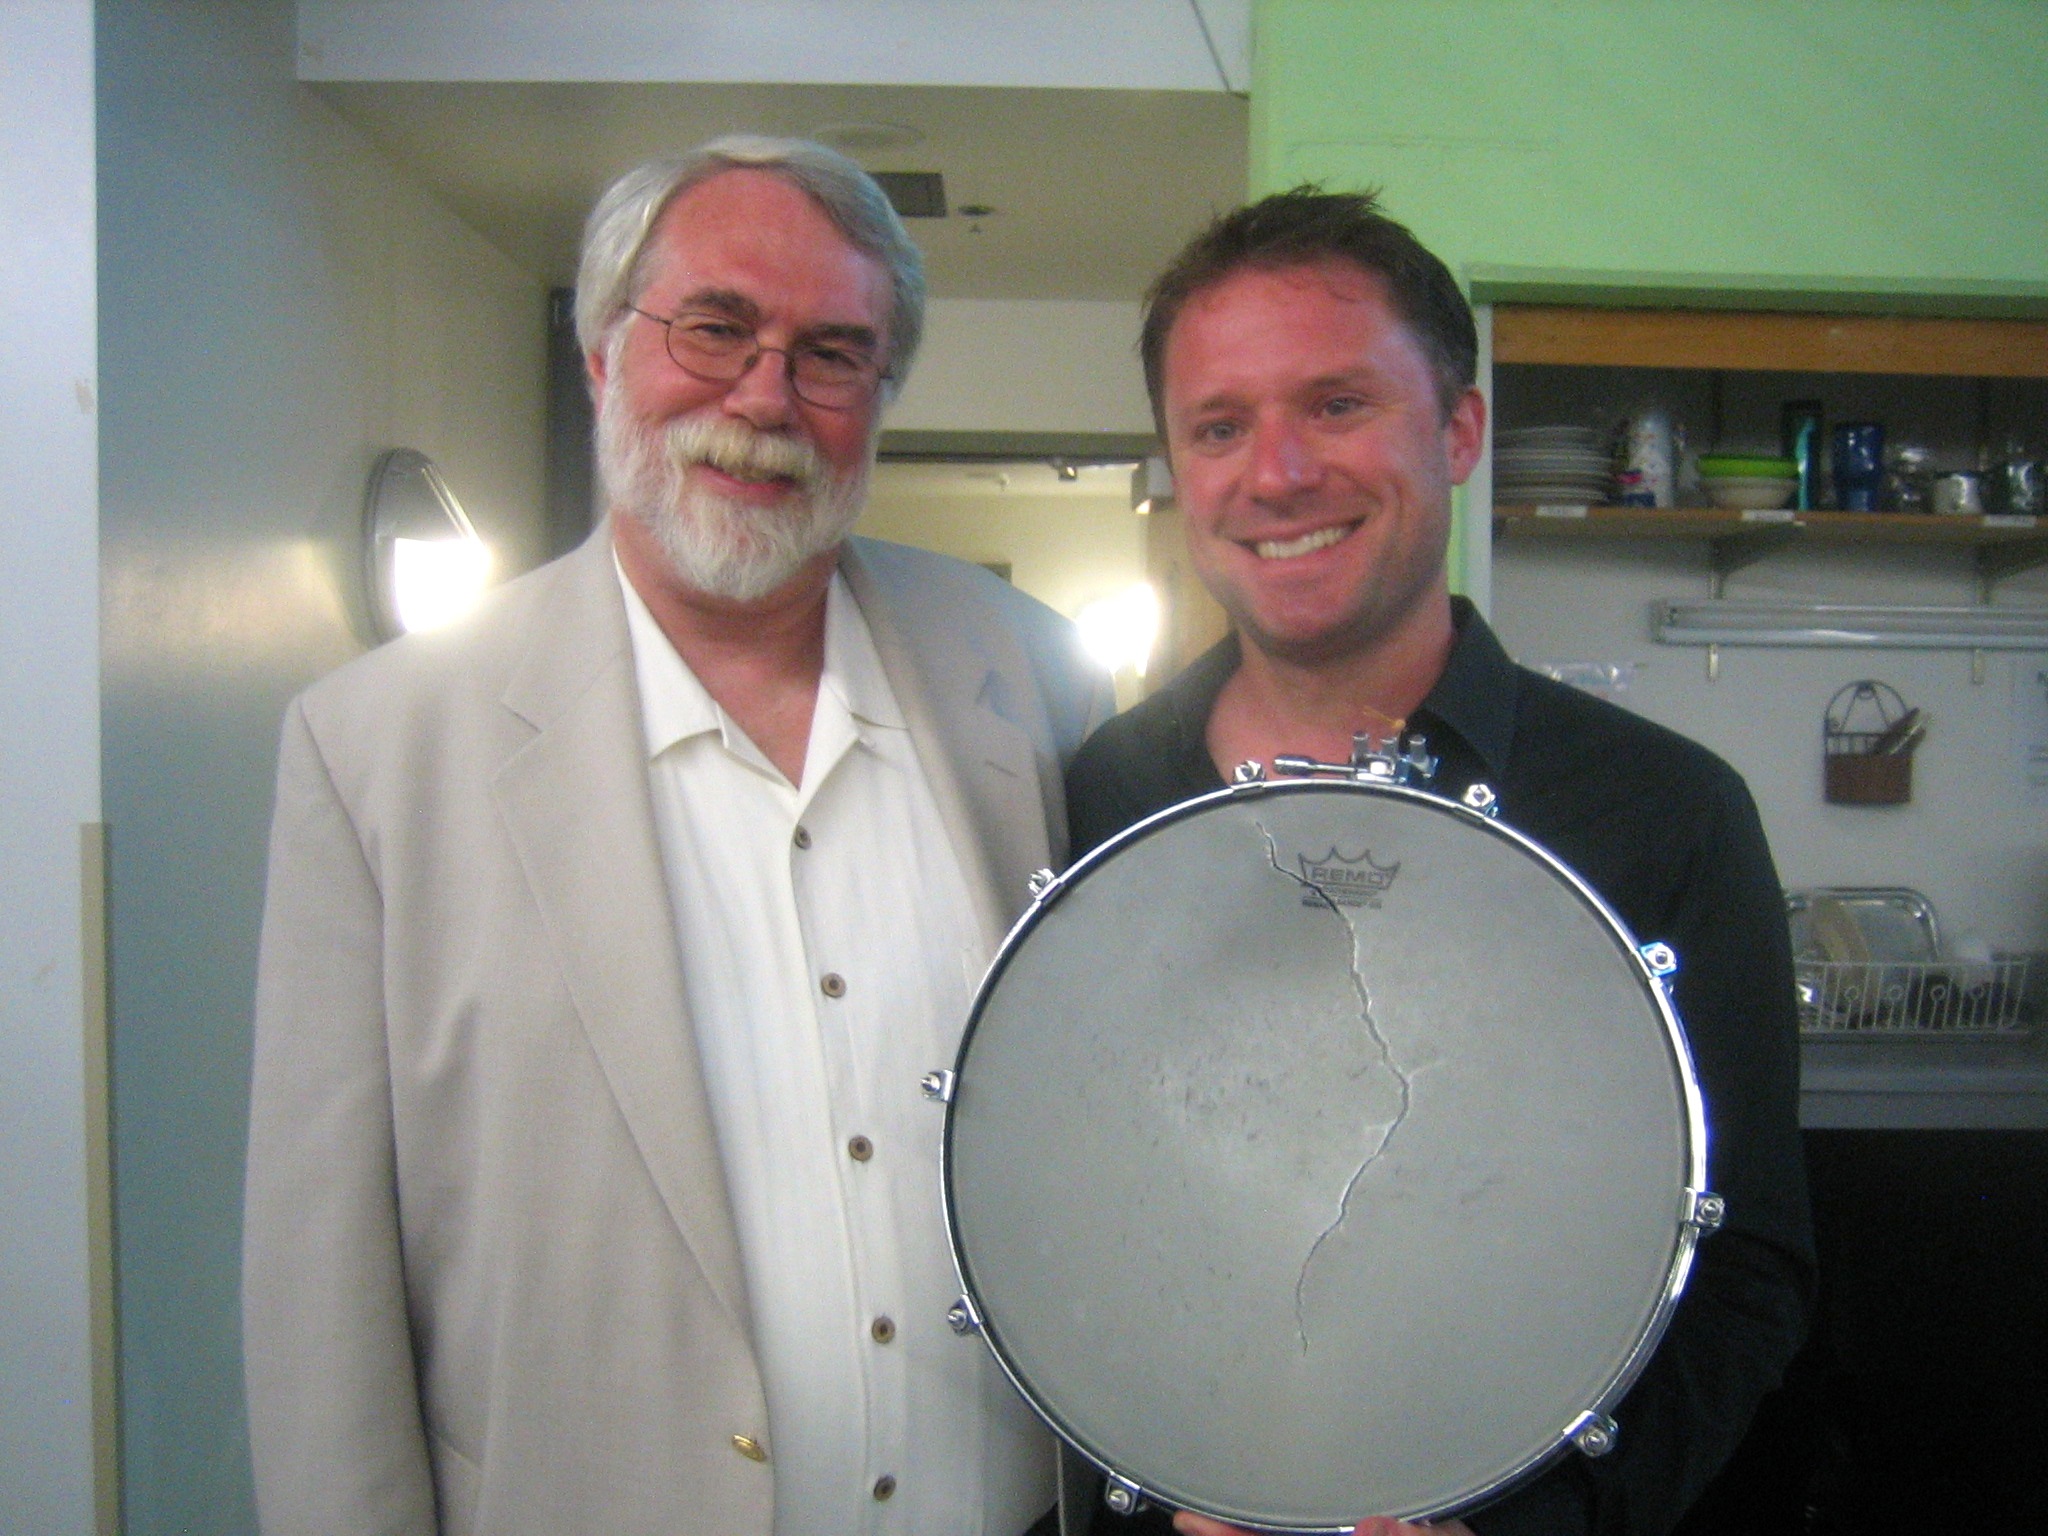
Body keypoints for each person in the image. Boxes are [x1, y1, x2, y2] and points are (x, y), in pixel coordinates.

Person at [242, 136, 1110, 1536]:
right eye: (714, 329)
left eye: (833, 353)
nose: (765, 398)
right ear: (601, 352)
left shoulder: (1036, 678)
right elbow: (317, 1298)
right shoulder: (377, 751)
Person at [1063, 188, 1815, 1536]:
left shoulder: (1666, 812)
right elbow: (1058, 1209)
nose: (1277, 472)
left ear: (1459, 429)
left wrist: (1535, 1530)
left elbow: (1749, 1265)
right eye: (1219, 427)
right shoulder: (1095, 798)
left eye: (1337, 405)